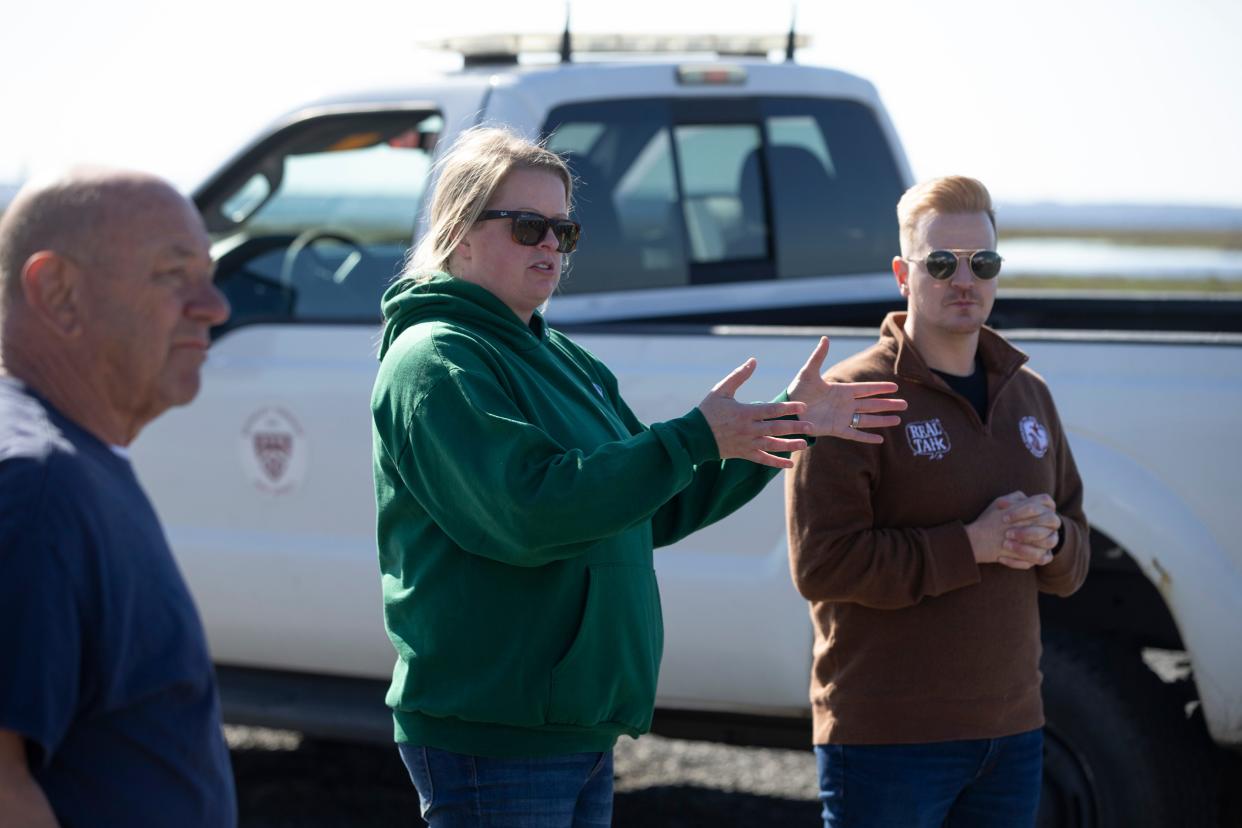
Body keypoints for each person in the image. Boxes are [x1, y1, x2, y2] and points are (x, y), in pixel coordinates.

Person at [370, 126, 908, 827]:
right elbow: (528, 509)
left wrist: (786, 420)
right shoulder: (436, 362)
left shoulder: (563, 358)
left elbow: (647, 506)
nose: (549, 247)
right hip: (494, 734)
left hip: (573, 728)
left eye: (564, 232)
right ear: (459, 233)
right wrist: (691, 437)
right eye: (528, 226)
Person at [786, 175, 1090, 827]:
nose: (965, 280)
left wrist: (1053, 541)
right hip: (887, 743)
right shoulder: (851, 396)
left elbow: (1075, 542)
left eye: (983, 263)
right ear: (903, 273)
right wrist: (971, 545)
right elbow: (822, 565)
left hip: (1012, 736)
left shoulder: (1028, 392)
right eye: (942, 263)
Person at [0, 169, 236, 827]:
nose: (214, 306)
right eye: (172, 274)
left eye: (208, 273)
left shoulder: (70, 463)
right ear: (58, 292)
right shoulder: (38, 486)